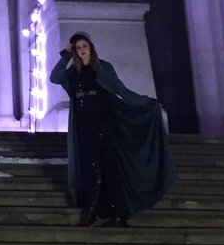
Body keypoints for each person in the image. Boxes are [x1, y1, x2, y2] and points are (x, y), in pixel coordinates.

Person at [50, 32, 175, 227]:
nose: (82, 49)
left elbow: (121, 90)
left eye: (84, 45)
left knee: (109, 167)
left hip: (105, 122)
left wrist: (146, 102)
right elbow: (54, 78)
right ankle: (101, 212)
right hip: (84, 125)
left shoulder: (103, 68)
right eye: (78, 47)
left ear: (90, 47)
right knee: (91, 167)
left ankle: (108, 214)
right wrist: (65, 55)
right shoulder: (72, 73)